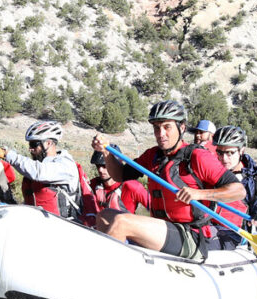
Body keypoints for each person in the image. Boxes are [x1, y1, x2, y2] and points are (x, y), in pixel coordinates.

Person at [91, 100, 247, 260]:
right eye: (156, 128)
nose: (161, 133)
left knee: (122, 222)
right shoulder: (152, 155)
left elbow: (239, 191)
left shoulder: (198, 156)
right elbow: (120, 175)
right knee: (105, 215)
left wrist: (199, 194)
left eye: (167, 127)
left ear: (182, 127)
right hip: (164, 228)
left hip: (190, 235)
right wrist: (106, 152)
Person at [0, 120, 87, 222]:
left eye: (33, 144)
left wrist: (8, 155)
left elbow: (39, 172)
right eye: (29, 145)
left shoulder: (64, 164)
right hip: (38, 224)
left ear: (48, 143)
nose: (30, 149)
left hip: (64, 225)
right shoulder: (42, 163)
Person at [212, 125, 257, 228]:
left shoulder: (252, 180)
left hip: (234, 235)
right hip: (207, 228)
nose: (224, 158)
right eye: (219, 152)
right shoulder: (210, 170)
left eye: (230, 153)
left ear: (241, 150)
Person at [89, 150, 150, 218]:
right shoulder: (93, 184)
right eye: (98, 166)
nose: (100, 170)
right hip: (97, 227)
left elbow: (154, 207)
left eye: (104, 166)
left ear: (115, 165)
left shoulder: (132, 186)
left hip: (125, 227)